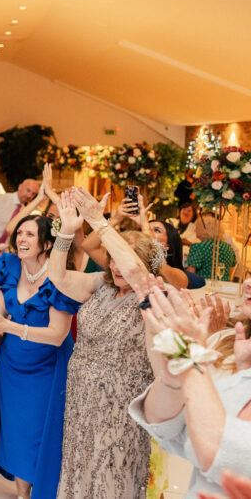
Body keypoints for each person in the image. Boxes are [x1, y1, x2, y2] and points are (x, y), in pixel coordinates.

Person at [48, 188, 159, 499]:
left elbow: (136, 272)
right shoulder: (100, 285)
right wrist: (67, 233)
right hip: (82, 400)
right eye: (112, 260)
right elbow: (57, 277)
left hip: (120, 405)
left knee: (114, 472)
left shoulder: (150, 293)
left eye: (123, 261)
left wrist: (99, 221)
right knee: (79, 465)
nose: (116, 267)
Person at [0, 215, 81, 499]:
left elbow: (57, 334)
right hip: (12, 364)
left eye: (30, 234)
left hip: (48, 369)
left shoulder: (60, 278)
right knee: (16, 432)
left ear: (47, 243)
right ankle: (21, 494)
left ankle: (43, 491)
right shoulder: (10, 266)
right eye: (19, 233)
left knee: (39, 433)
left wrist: (10, 327)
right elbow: (1, 308)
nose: (21, 239)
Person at [128, 286, 251, 498]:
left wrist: (188, 358)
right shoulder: (230, 342)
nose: (247, 282)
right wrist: (171, 381)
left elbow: (222, 450)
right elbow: (167, 428)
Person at [0, 178, 40, 247]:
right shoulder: (0, 199)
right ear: (20, 186)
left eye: (33, 194)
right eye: (28, 190)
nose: (29, 196)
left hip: (3, 251)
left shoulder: (25, 212)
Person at [150, 220, 204, 289]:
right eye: (144, 228)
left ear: (167, 246)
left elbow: (199, 281)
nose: (148, 232)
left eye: (157, 230)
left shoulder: (180, 275)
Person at [187, 213, 237, 281]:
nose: (195, 230)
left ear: (204, 230)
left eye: (197, 228)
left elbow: (190, 275)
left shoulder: (197, 247)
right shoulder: (228, 248)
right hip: (224, 286)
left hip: (203, 288)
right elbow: (230, 270)